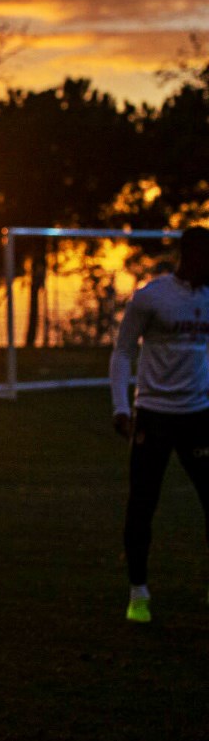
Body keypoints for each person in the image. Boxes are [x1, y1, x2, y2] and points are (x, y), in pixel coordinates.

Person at [110, 226, 209, 624]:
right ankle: (138, 592)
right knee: (142, 504)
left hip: (199, 416)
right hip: (153, 414)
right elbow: (121, 353)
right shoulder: (151, 297)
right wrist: (121, 406)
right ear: (191, 257)